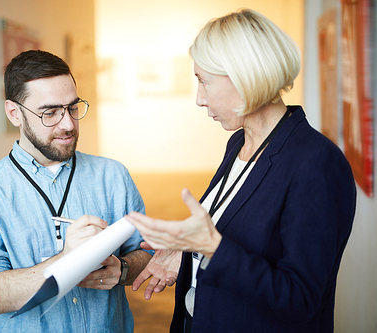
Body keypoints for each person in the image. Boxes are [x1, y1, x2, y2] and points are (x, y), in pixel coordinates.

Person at [127, 9, 356, 333]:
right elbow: (237, 241)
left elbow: (300, 299)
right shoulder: (239, 143)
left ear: (244, 76)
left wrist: (211, 247)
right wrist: (189, 252)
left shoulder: (316, 162)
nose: (199, 99)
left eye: (204, 82)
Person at [0, 50, 152, 333]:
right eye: (50, 112)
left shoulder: (113, 175)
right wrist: (68, 259)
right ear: (14, 113)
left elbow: (146, 253)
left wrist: (122, 268)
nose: (67, 124)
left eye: (73, 108)